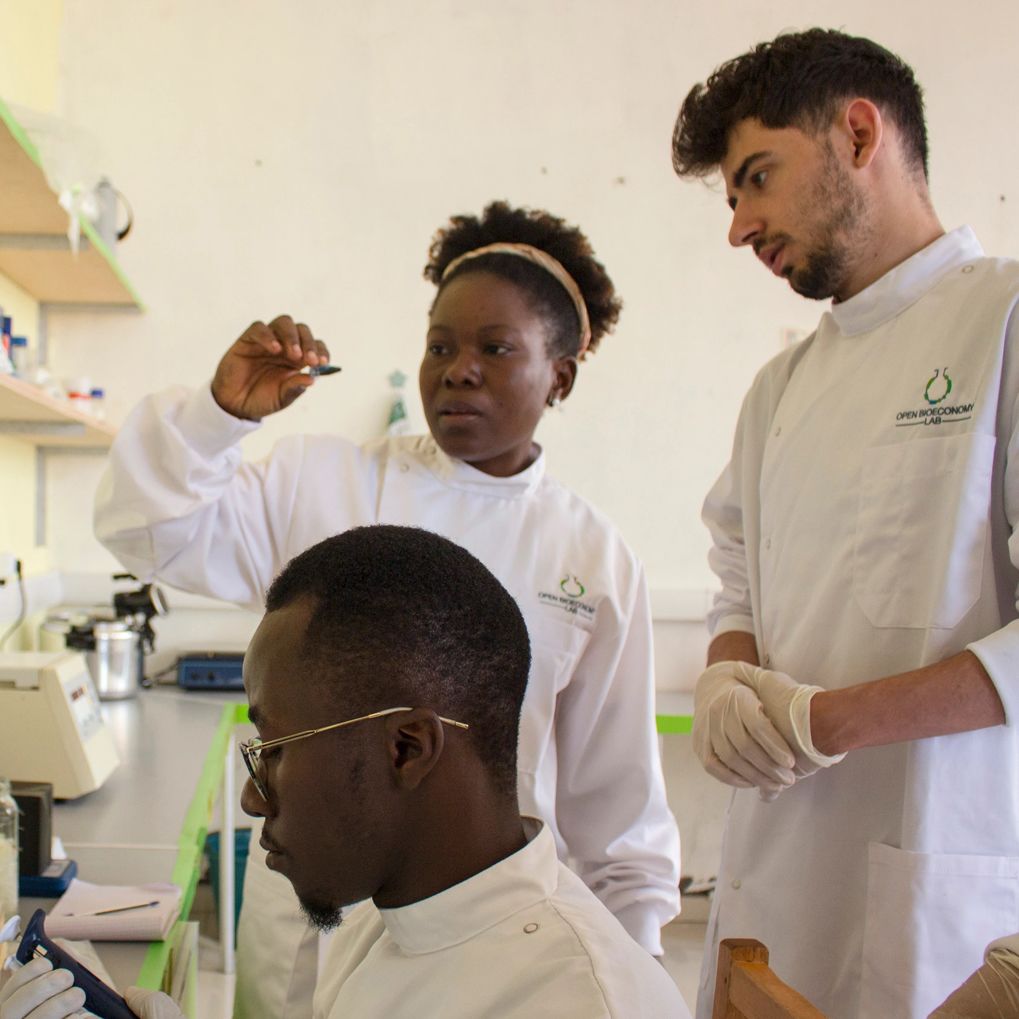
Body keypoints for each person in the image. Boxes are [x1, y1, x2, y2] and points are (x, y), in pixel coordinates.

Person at [93, 202, 680, 1015]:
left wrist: (627, 968)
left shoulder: (593, 558)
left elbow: (616, 808)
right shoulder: (321, 482)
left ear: (561, 373)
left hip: (484, 945)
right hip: (313, 915)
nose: (456, 368)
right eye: (439, 343)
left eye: (494, 347)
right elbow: (143, 529)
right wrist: (215, 417)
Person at [672, 28, 1018, 1019]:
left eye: (755, 178)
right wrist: (730, 672)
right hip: (773, 878)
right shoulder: (779, 386)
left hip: (939, 894)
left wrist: (820, 720)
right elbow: (737, 565)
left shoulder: (999, 324)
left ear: (858, 133)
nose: (738, 226)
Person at [0, 527, 690, 1019]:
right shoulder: (391, 911)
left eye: (274, 748)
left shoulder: (573, 1000)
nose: (250, 794)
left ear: (406, 748)